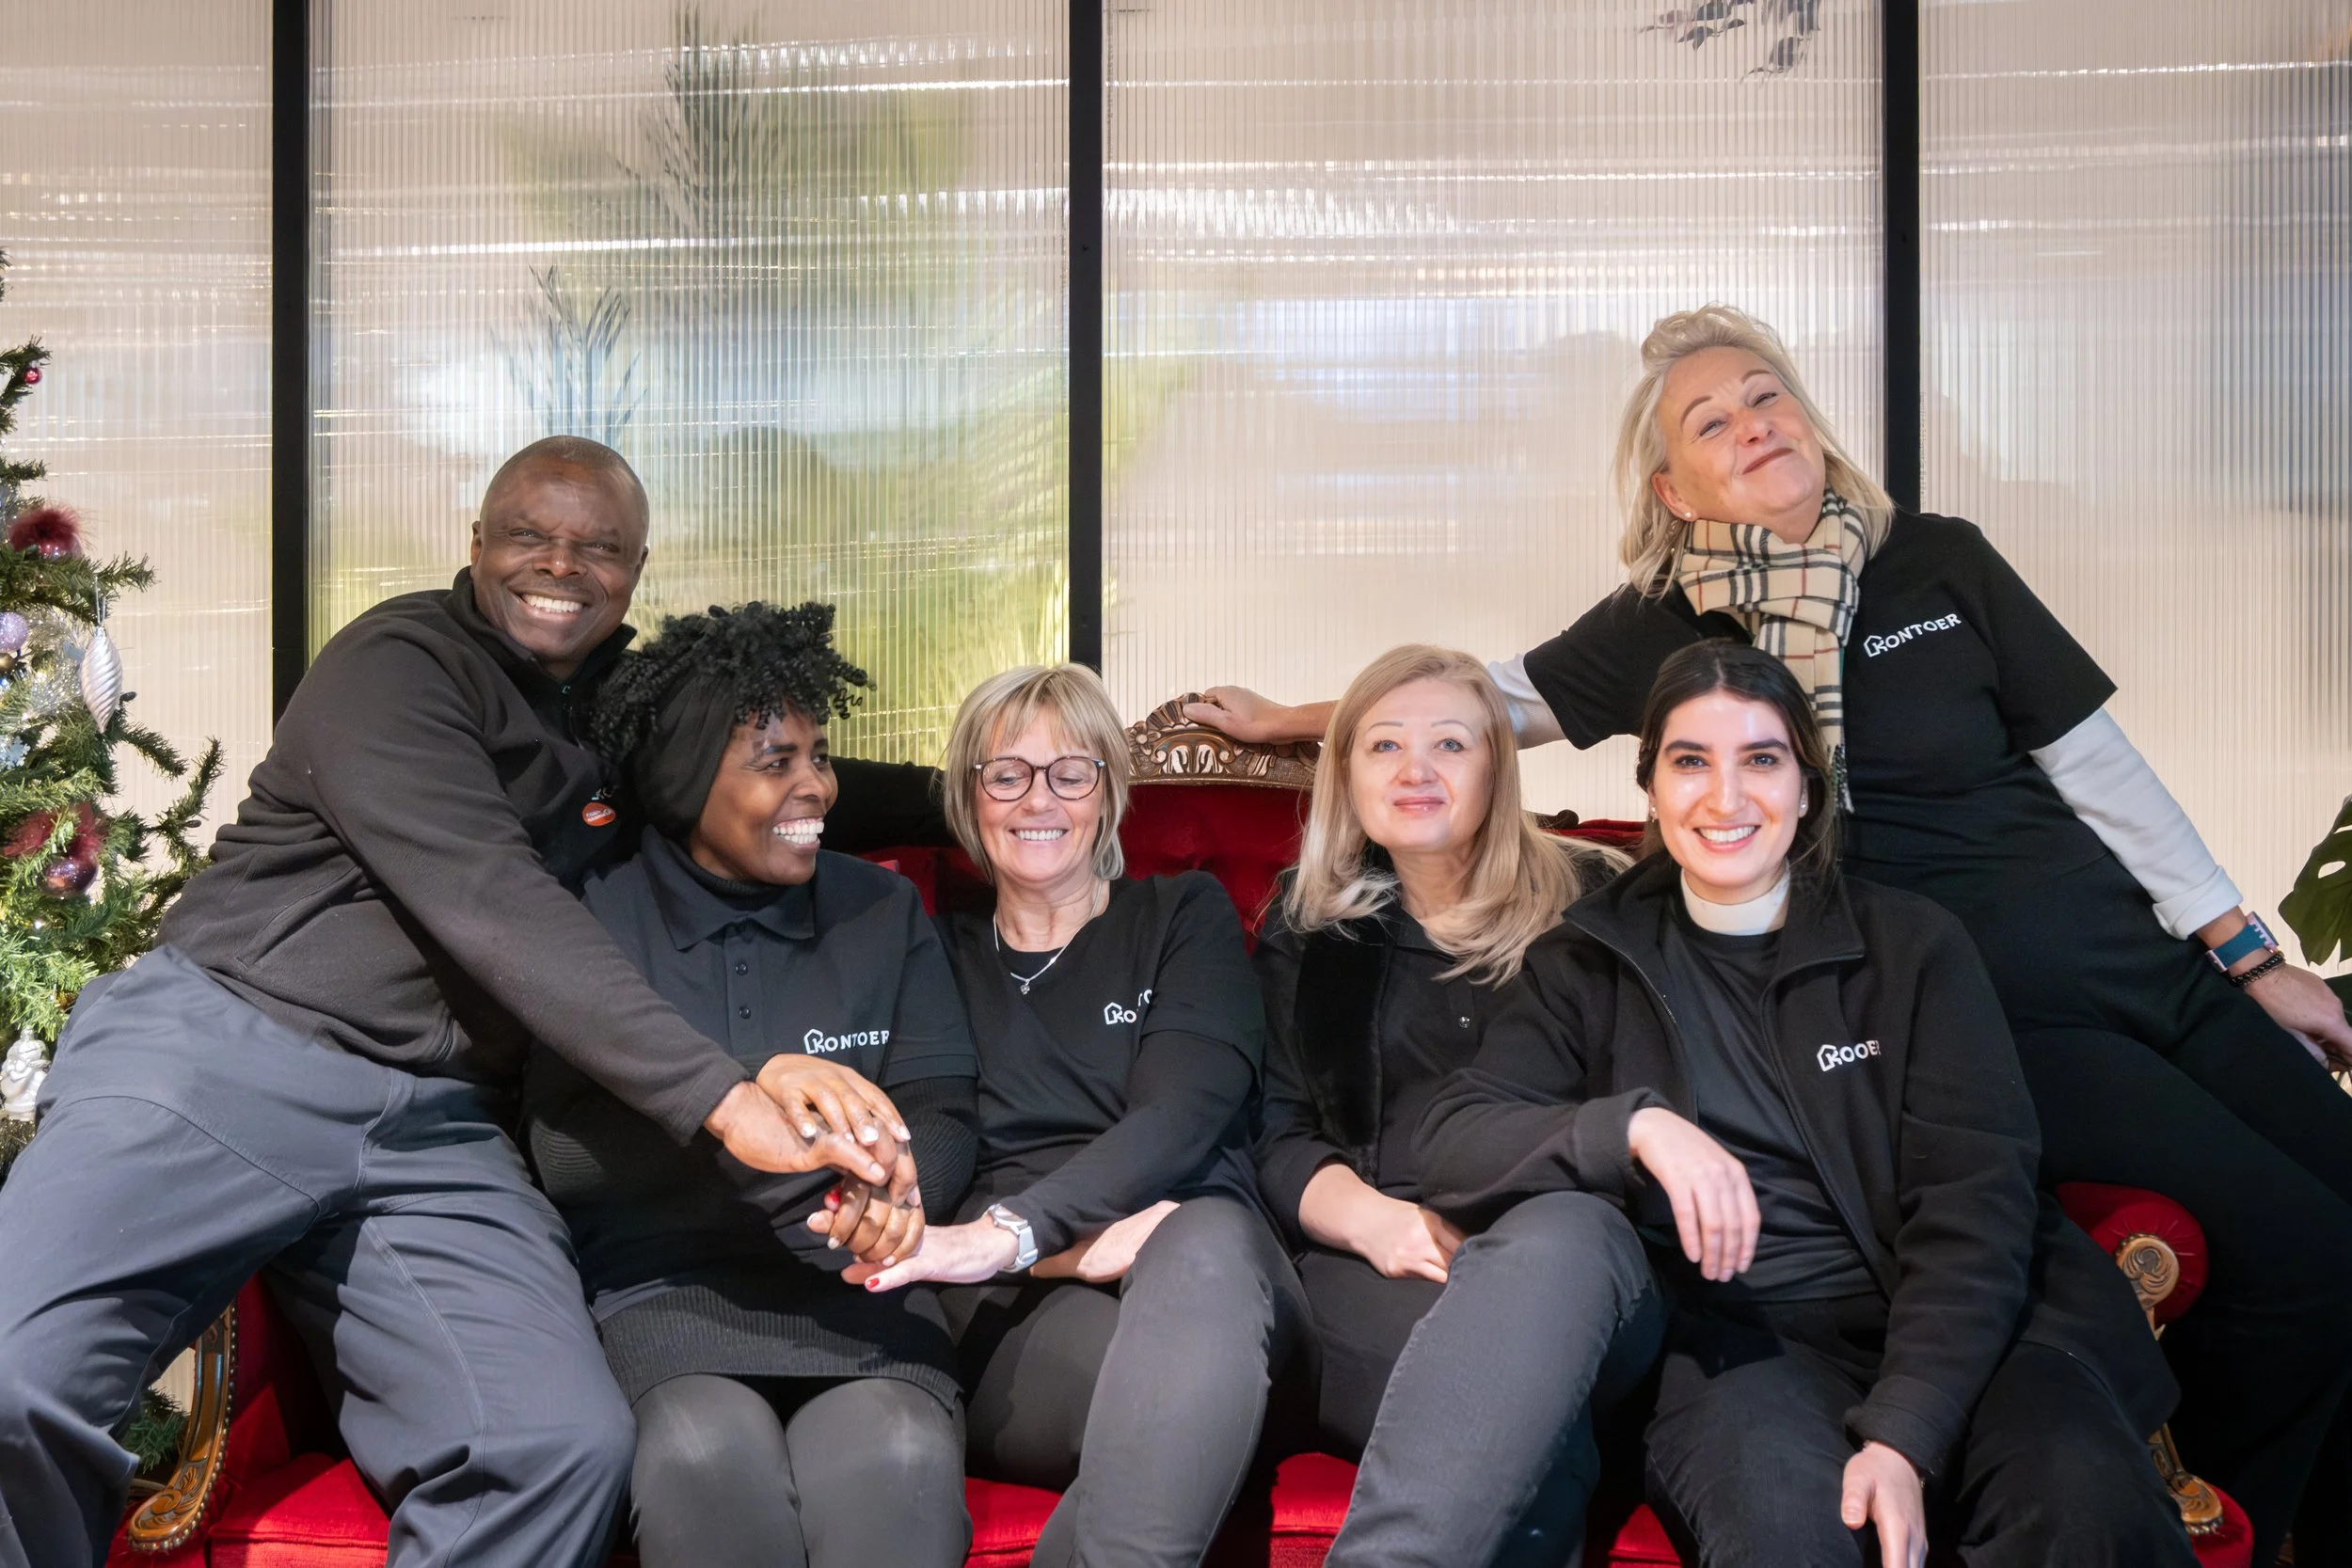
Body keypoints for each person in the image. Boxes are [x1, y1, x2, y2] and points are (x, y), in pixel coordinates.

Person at [1188, 304, 2352, 1562]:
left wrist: (2242, 951)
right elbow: (1483, 703)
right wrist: (1295, 719)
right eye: (1710, 422)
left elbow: (2091, 759)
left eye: (1765, 396)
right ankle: (2244, 1515)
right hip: (2013, 1015)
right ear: (1670, 489)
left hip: (2134, 950)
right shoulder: (1668, 627)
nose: (1751, 426)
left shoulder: (1937, 559)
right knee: (2310, 1257)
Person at [0, 438, 898, 1568]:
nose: (559, 564)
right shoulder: (394, 663)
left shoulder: (626, 702)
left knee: (551, 1448)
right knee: (15, 1379)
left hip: (438, 1125)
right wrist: (724, 1096)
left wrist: (997, 794)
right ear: (476, 544)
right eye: (529, 535)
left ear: (635, 570)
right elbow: (492, 897)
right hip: (225, 1049)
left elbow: (767, 783)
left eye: (597, 546)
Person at [1419, 640, 2192, 1568]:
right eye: (1690, 761)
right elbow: (1450, 1137)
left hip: (1971, 1320)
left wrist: (1904, 1432)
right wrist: (1633, 1126)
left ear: (1807, 787)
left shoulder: (1912, 947)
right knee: (1786, 1539)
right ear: (1651, 786)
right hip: (1740, 1352)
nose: (1726, 798)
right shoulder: (1586, 961)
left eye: (1761, 759)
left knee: (2085, 1507)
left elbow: (1975, 1211)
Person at [521, 601, 978, 1568]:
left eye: (820, 755)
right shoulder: (589, 918)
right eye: (776, 761)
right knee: (701, 1459)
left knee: (898, 1458)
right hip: (662, 1294)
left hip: (859, 1293)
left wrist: (892, 1199)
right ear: (688, 780)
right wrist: (746, 1094)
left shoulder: (881, 907)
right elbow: (565, 1147)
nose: (817, 786)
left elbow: (941, 1107)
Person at [850, 662, 1307, 1568]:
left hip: (1201, 1269)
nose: (1039, 799)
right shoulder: (928, 952)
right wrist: (1047, 1247)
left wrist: (1013, 1226)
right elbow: (931, 1155)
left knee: (1202, 1240)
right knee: (1183, 1415)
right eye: (1006, 773)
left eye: (1071, 771)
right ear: (968, 796)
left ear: (1109, 791)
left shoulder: (1181, 915)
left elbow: (1183, 1116)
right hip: (1008, 1299)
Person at [1249, 643, 1656, 1567]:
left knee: (1535, 1317)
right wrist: (1379, 1222)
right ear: (1346, 772)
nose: (1415, 769)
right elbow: (1273, 1131)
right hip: (1378, 1257)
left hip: (1571, 1260)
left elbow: (1645, 1112)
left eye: (1449, 743)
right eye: (1384, 744)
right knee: (1520, 1430)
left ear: (1497, 767)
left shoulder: (1597, 901)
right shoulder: (1310, 922)